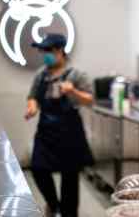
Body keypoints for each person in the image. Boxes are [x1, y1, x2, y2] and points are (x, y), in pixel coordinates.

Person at [25, 33, 94, 217]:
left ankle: (68, 212)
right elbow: (33, 96)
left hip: (70, 133)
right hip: (46, 131)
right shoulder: (41, 74)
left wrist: (73, 91)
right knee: (38, 169)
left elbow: (89, 99)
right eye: (43, 51)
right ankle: (52, 203)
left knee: (69, 181)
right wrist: (32, 108)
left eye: (48, 51)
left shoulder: (76, 74)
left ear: (60, 51)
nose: (44, 55)